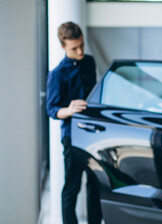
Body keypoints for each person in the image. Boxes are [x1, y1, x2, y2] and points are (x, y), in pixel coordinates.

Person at [46, 21, 102, 224]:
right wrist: (68, 110)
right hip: (72, 137)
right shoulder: (56, 74)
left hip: (94, 134)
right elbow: (51, 110)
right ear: (63, 47)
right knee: (72, 186)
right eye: (74, 48)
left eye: (82, 45)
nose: (80, 51)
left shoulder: (89, 61)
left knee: (95, 185)